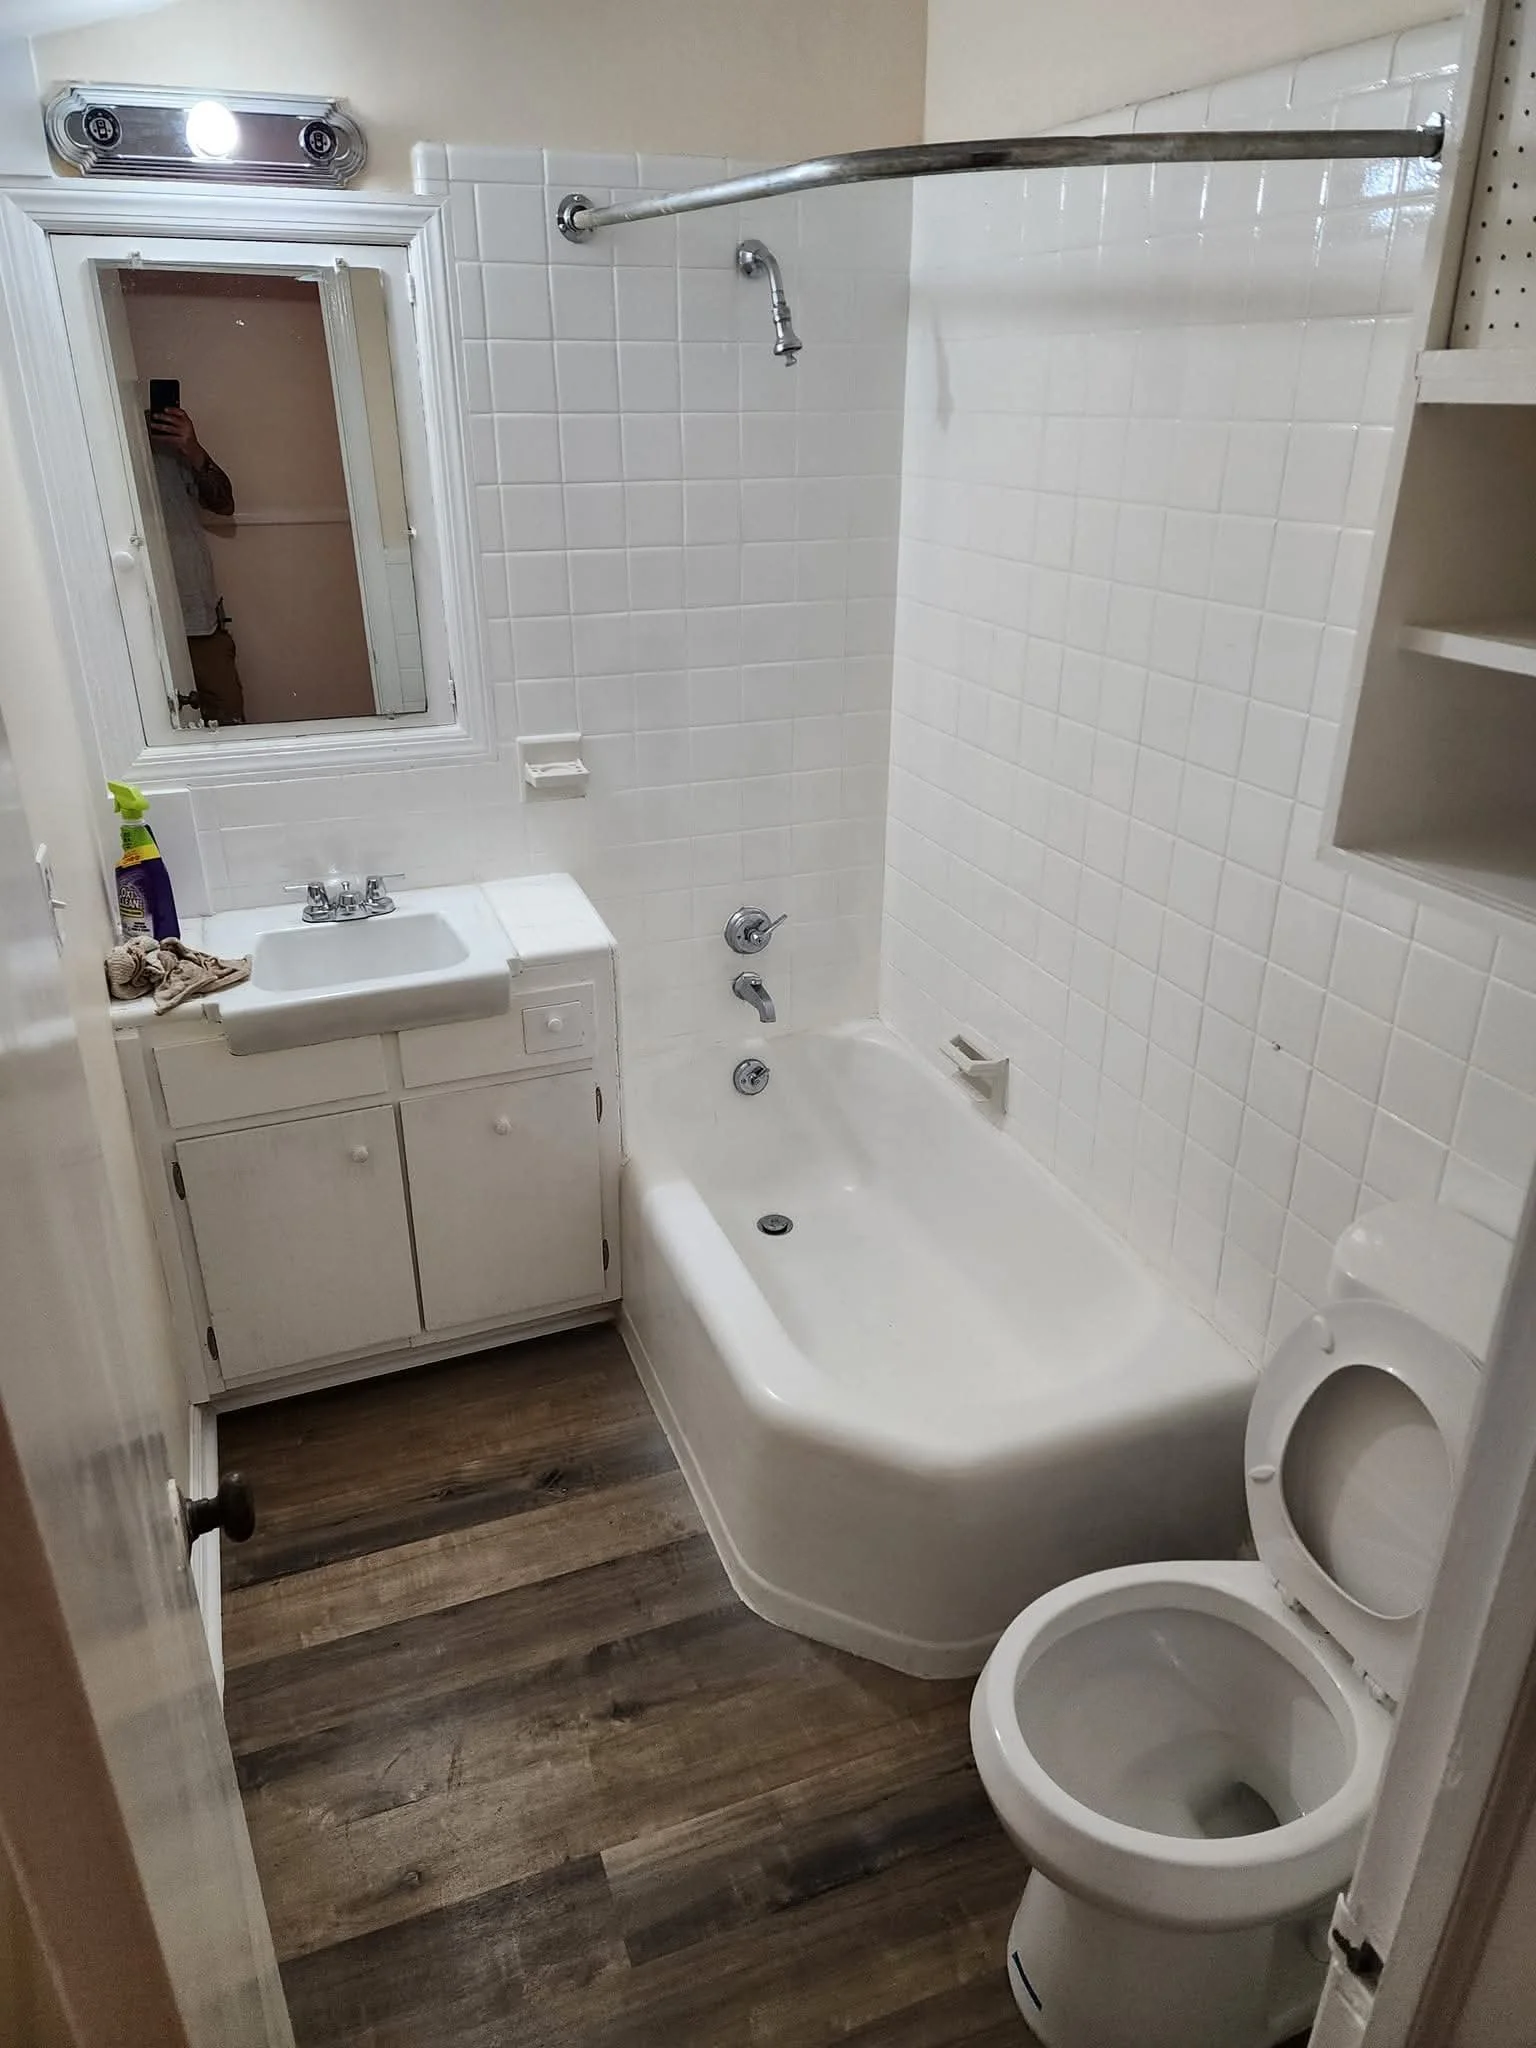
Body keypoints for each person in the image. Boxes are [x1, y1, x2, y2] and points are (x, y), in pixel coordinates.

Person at [148, 402, 246, 725]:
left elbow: (224, 504)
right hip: (137, 624)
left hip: (199, 621)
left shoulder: (169, 446)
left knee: (228, 722)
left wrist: (192, 448)